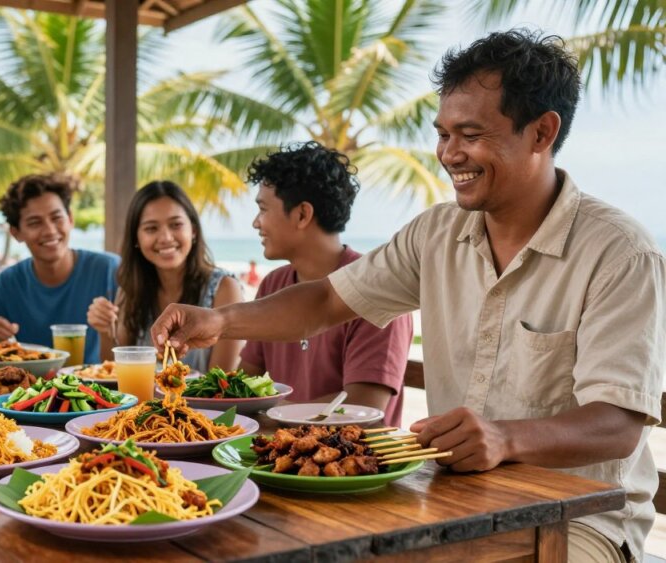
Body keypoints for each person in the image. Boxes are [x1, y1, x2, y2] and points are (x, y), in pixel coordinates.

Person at [150, 30, 665, 562]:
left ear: (542, 132)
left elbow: (617, 424)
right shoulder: (435, 233)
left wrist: (506, 438)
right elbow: (326, 302)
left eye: (469, 134)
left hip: (582, 523)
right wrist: (219, 320)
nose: (449, 153)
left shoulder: (620, 252)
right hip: (455, 501)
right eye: (442, 134)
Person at [238, 143, 413, 425]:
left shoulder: (377, 288)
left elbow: (362, 408)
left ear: (302, 215)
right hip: (274, 457)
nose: (255, 223)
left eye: (263, 209)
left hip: (351, 462)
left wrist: (264, 416)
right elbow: (242, 385)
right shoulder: (274, 284)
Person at [88, 181, 244, 373]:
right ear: (136, 238)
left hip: (202, 404)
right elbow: (114, 374)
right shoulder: (131, 289)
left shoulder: (225, 288)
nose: (166, 238)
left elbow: (222, 384)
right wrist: (105, 332)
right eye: (151, 228)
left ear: (193, 230)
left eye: (176, 224)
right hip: (143, 403)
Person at [0, 173, 119, 363]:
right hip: (29, 390)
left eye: (56, 218)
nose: (50, 230)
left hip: (98, 388)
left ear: (70, 219)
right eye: (35, 223)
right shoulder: (6, 284)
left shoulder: (110, 270)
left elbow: (133, 350)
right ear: (16, 233)